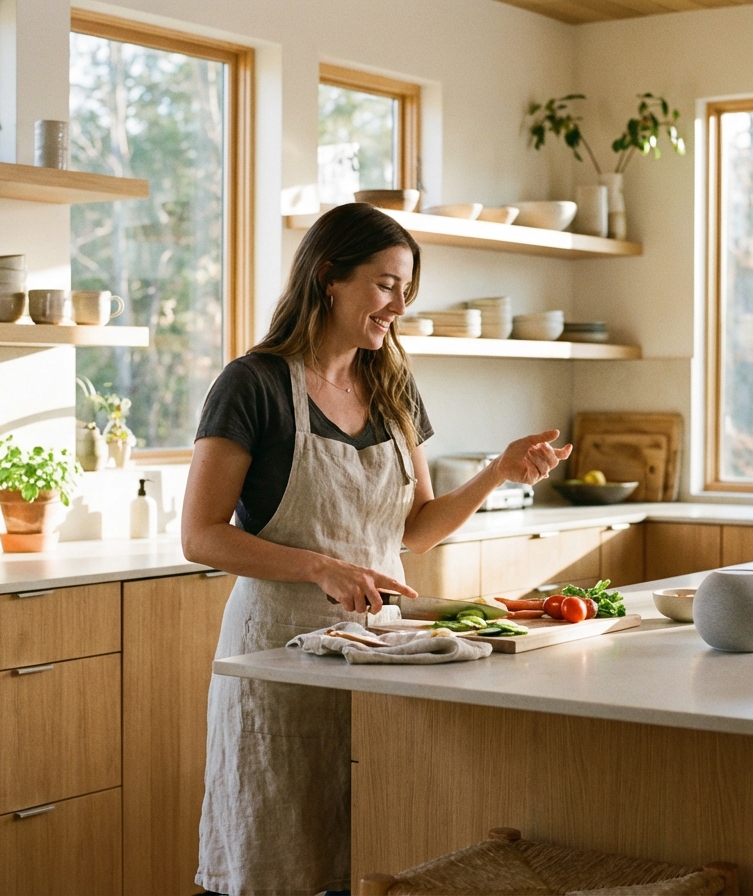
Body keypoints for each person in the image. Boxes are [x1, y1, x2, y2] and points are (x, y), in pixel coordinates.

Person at [182, 202, 571, 895]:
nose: (398, 305)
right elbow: (200, 533)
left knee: (372, 856)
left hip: (381, 656)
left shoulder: (392, 387)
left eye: (406, 289)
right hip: (281, 660)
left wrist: (496, 473)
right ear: (329, 277)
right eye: (386, 284)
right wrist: (319, 567)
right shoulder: (254, 384)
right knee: (278, 857)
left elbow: (413, 530)